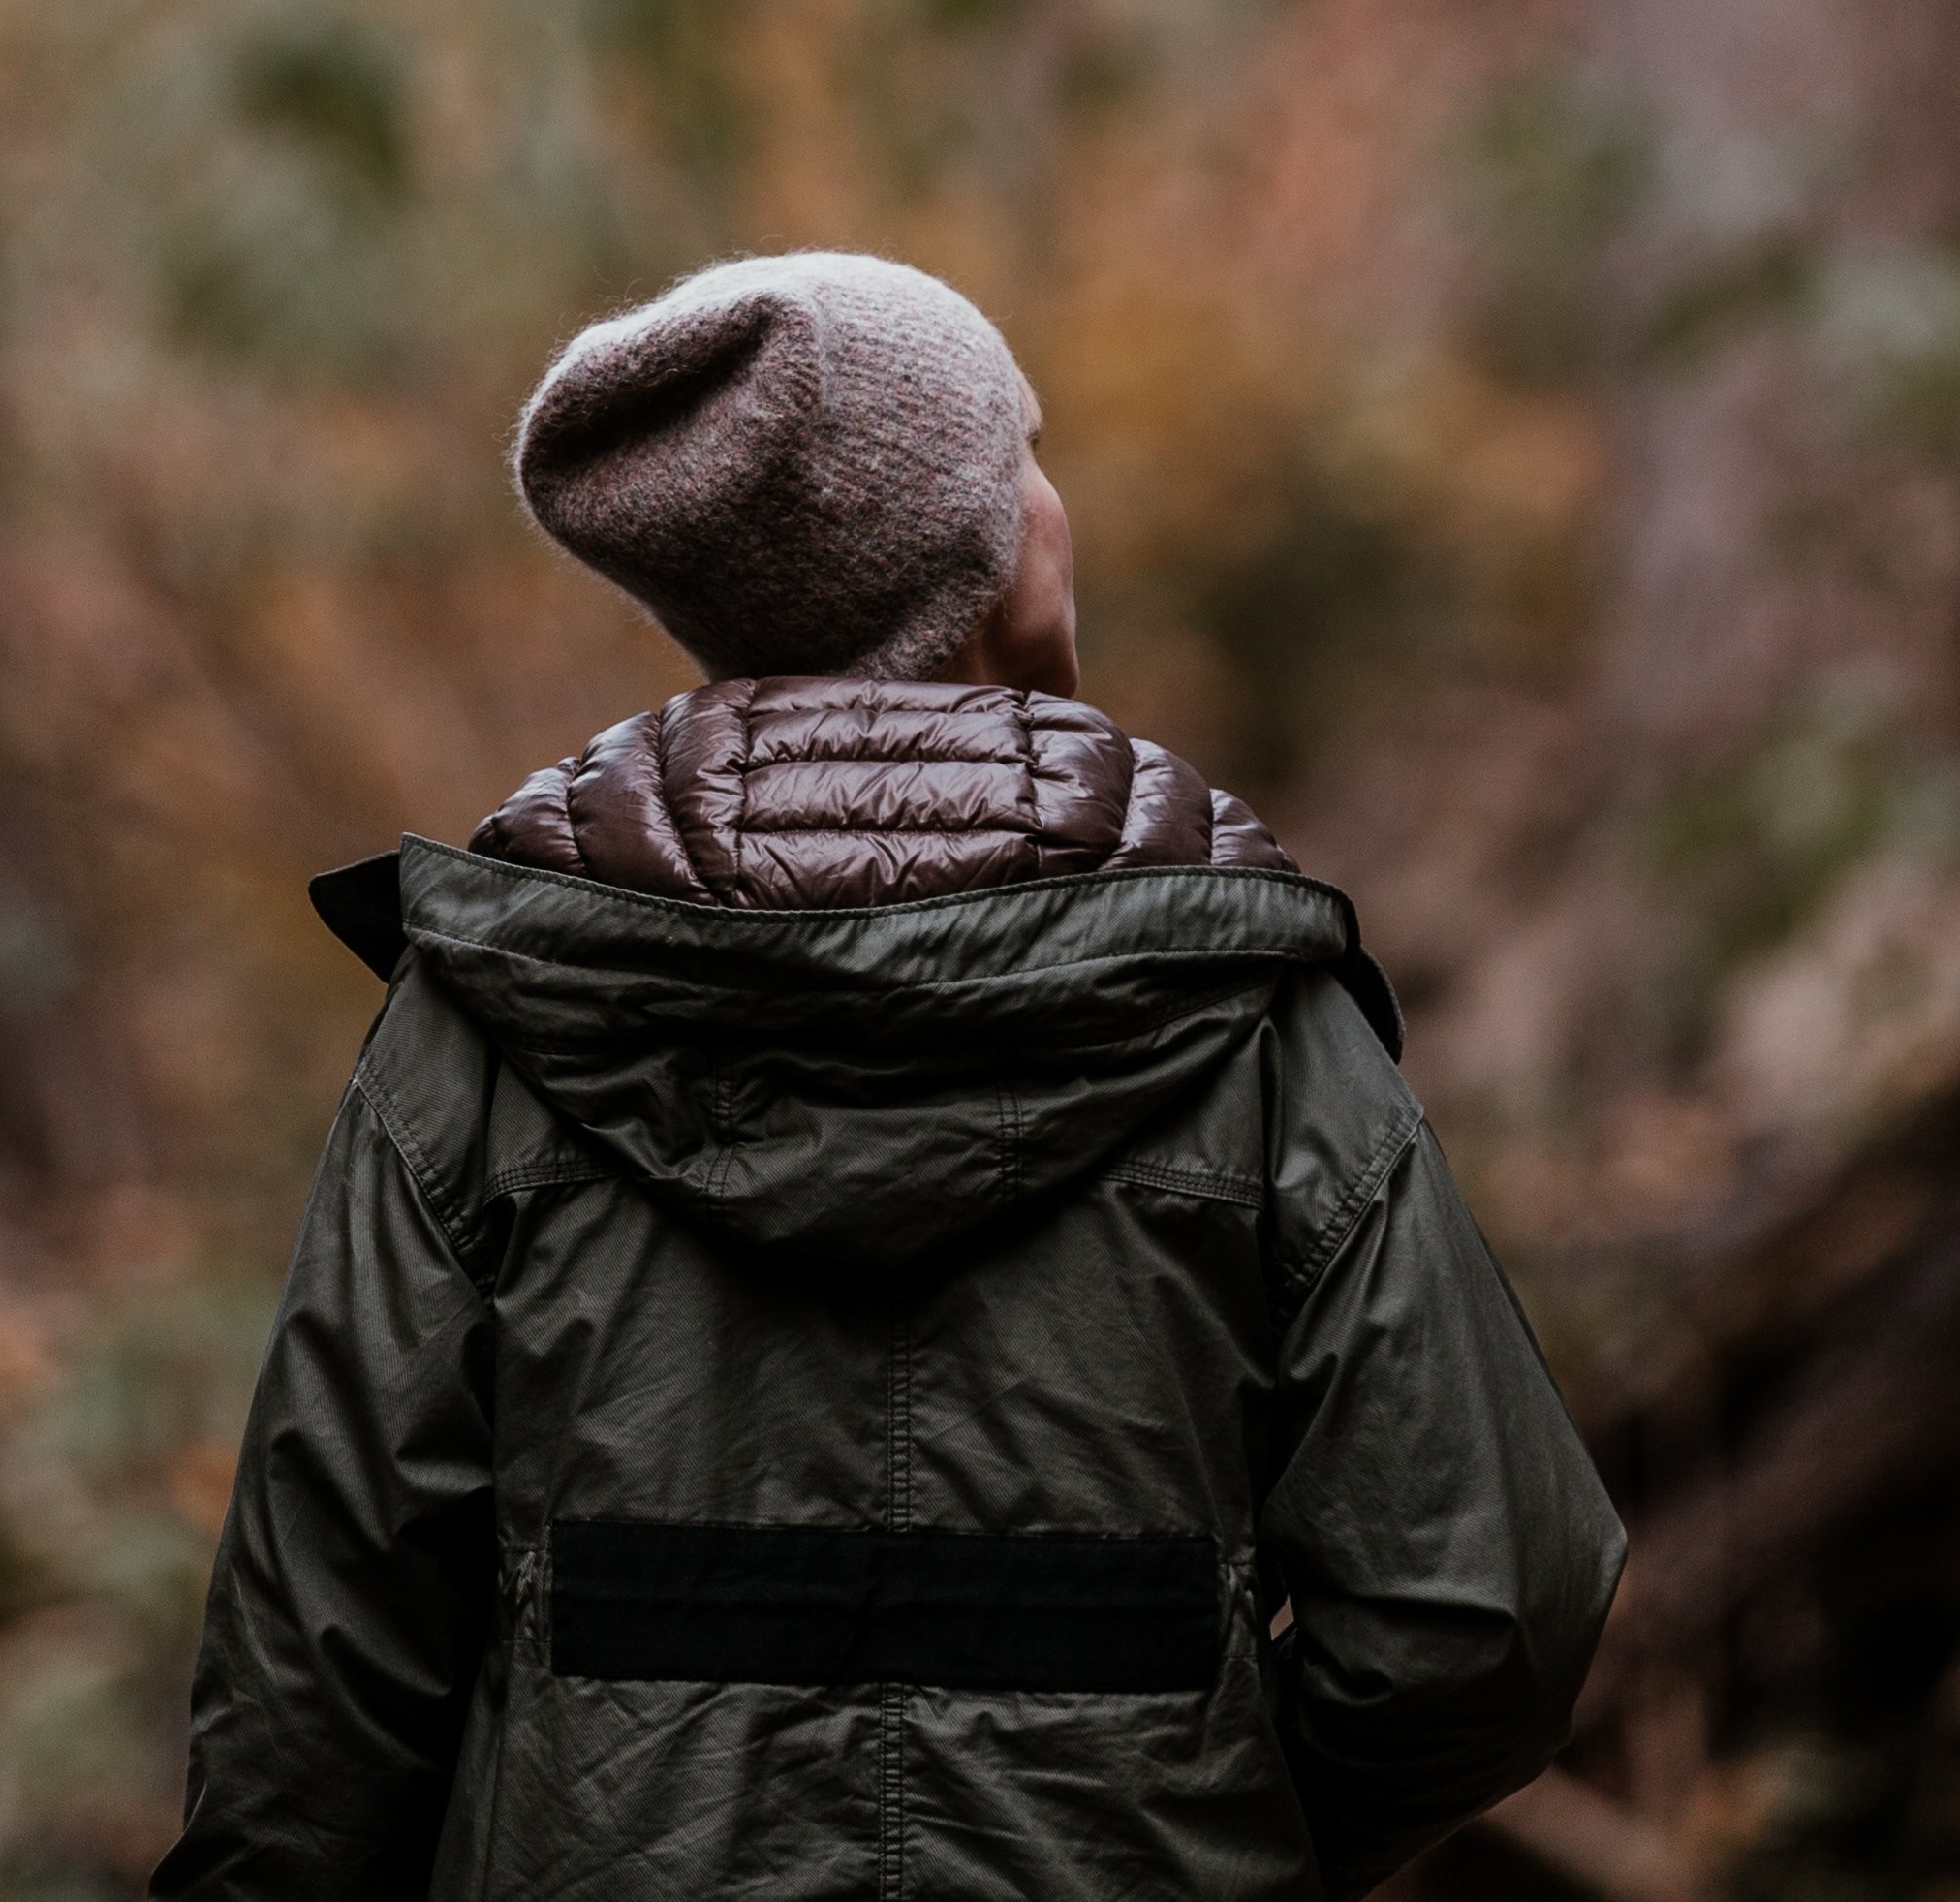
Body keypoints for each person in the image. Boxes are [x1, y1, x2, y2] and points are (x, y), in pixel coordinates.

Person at [155, 251, 1623, 1899]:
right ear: (972, 541)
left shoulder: (487, 1023)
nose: (1056, 495)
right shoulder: (1250, 1021)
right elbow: (1490, 1615)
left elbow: (313, 1681)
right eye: (1030, 449)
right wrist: (1227, 1827)